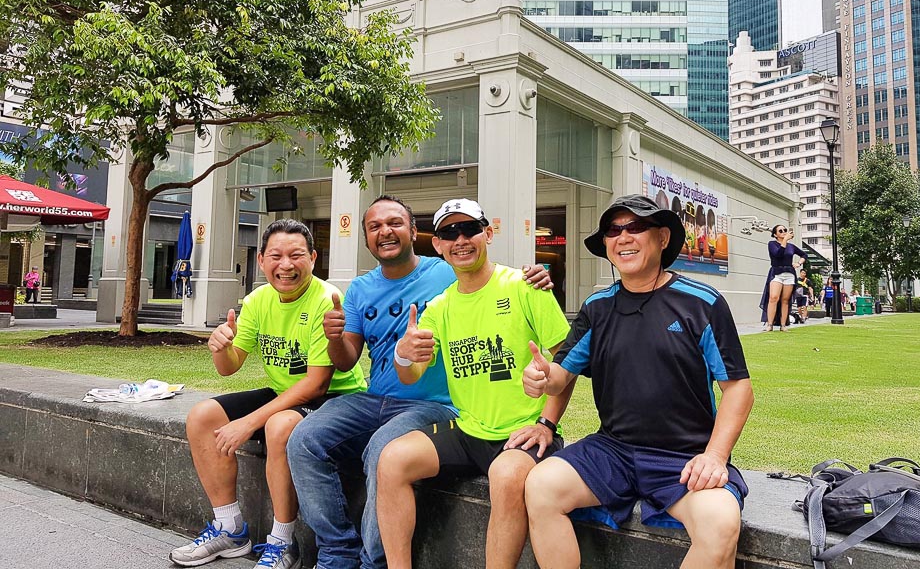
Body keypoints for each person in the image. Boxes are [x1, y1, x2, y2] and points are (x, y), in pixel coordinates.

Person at [286, 195, 553, 569]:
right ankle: (336, 551)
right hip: (377, 397)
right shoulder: (367, 290)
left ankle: (371, 561)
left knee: (383, 449)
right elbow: (350, 358)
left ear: (415, 232)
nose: (385, 232)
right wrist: (340, 338)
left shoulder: (449, 273)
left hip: (432, 404)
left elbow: (495, 280)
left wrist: (536, 275)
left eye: (394, 223)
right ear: (366, 240)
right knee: (303, 438)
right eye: (375, 227)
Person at [522, 194, 754, 569]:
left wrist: (714, 455)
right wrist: (540, 377)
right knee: (540, 486)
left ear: (662, 238)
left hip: (684, 456)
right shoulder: (597, 307)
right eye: (614, 230)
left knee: (720, 523)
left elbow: (738, 389)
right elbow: (561, 374)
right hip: (613, 450)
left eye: (636, 227)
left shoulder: (702, 302)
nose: (623, 237)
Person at [376, 198, 575, 569]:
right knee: (391, 459)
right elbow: (410, 374)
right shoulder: (439, 307)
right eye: (449, 232)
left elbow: (568, 359)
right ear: (437, 244)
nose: (460, 239)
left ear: (488, 233)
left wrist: (546, 422)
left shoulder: (524, 287)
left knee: (505, 475)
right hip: (468, 430)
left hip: (523, 433)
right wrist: (404, 353)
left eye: (469, 229)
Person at [170, 219, 366, 569]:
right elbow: (229, 367)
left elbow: (317, 384)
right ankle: (230, 529)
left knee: (278, 426)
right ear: (261, 260)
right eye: (276, 255)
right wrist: (220, 347)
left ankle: (282, 543)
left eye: (296, 255)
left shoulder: (326, 299)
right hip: (285, 393)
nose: (286, 265)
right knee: (202, 417)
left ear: (313, 258)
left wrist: (248, 423)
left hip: (335, 399)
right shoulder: (258, 299)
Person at [760, 225, 807, 332]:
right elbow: (778, 254)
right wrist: (785, 240)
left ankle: (783, 325)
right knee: (773, 298)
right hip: (776, 273)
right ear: (775, 234)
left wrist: (799, 263)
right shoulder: (772, 244)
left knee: (785, 300)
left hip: (789, 274)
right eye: (780, 231)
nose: (784, 232)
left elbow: (804, 254)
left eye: (785, 230)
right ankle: (770, 324)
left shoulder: (791, 246)